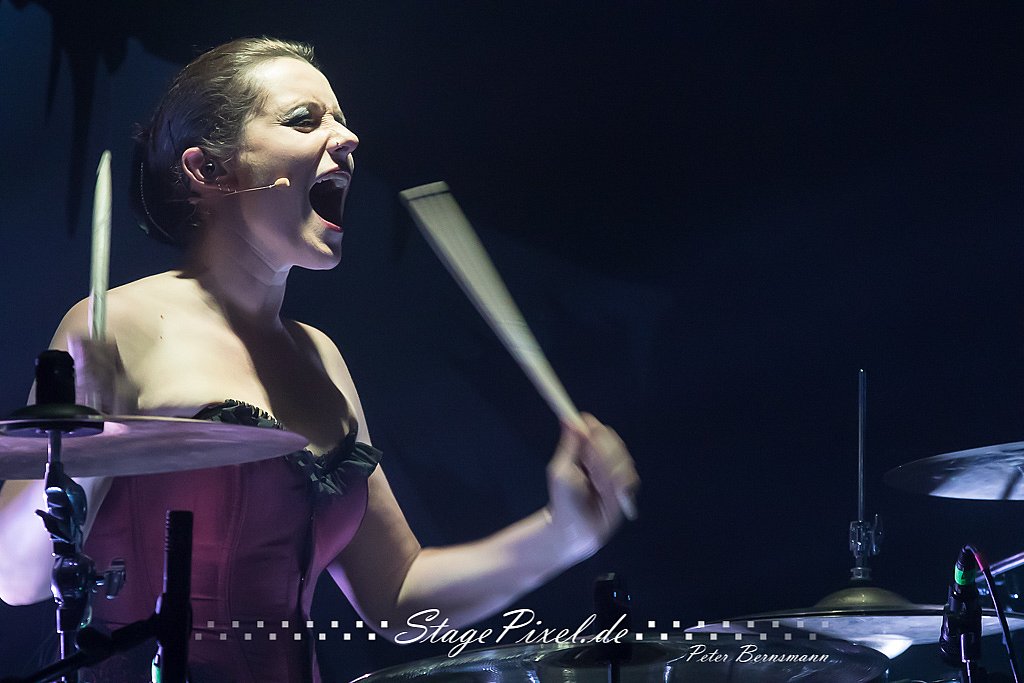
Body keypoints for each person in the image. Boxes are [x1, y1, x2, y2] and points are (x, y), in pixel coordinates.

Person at [0, 37, 639, 682]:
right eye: (304, 120)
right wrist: (85, 450)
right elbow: (14, 577)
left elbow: (398, 600)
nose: (349, 138)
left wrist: (563, 533)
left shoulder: (320, 357)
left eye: (341, 119)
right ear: (209, 171)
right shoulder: (116, 324)